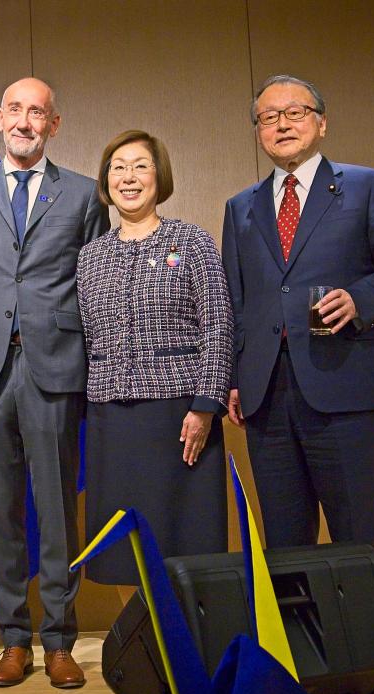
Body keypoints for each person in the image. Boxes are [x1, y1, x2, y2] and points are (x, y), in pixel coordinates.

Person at [0, 77, 109, 689]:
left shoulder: (84, 196)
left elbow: (94, 285)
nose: (23, 120)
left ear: (54, 124)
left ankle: (60, 640)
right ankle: (13, 638)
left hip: (56, 367)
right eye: (14, 109)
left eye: (36, 112)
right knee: (0, 513)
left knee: (57, 508)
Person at [221, 75, 374, 560]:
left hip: (343, 381)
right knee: (285, 541)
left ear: (321, 122)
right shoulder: (240, 207)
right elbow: (235, 300)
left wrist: (359, 300)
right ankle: (297, 638)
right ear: (258, 131)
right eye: (268, 117)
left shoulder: (364, 185)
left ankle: (364, 640)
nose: (281, 124)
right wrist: (232, 378)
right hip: (265, 393)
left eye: (295, 112)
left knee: (357, 533)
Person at [77, 130, 233, 604]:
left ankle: (188, 658)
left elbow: (219, 325)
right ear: (106, 180)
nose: (129, 177)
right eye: (118, 167)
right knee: (126, 547)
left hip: (180, 421)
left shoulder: (191, 241)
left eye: (140, 166)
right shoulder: (90, 257)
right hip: (113, 423)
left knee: (183, 544)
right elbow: (87, 338)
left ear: (158, 176)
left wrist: (206, 405)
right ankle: (145, 653)